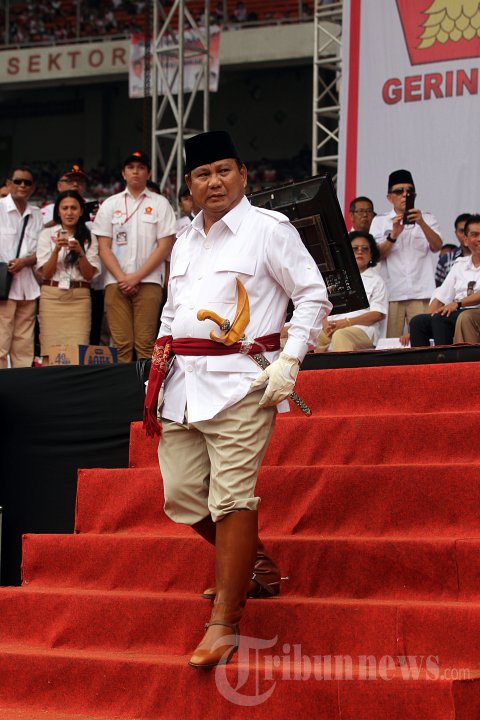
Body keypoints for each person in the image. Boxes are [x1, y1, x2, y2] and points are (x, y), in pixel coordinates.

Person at [148, 130, 331, 669]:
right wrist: (156, 372)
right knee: (183, 498)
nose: (215, 182)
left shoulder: (268, 229)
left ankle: (224, 622)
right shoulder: (184, 239)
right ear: (188, 185)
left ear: (244, 174)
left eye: (224, 170)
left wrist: (290, 360)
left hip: (243, 384)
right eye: (203, 174)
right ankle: (255, 563)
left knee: (231, 500)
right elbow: (171, 310)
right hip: (182, 385)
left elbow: (312, 295)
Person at [93, 151, 176, 363]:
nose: (136, 171)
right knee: (120, 344)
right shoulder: (110, 204)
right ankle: (123, 385)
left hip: (148, 281)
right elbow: (103, 247)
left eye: (141, 167)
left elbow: (165, 245)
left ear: (148, 173)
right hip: (115, 281)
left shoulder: (160, 203)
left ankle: (146, 385)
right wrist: (123, 278)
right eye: (131, 168)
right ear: (124, 173)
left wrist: (136, 277)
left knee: (145, 344)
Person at [370, 169, 442, 337]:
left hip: (421, 292)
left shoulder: (427, 218)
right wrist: (393, 235)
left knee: (423, 339)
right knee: (390, 342)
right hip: (392, 292)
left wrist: (421, 223)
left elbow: (437, 246)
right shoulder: (380, 221)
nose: (404, 195)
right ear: (389, 197)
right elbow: (375, 256)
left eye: (409, 191)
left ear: (414, 195)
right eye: (399, 191)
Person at [36, 190, 101, 359]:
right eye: (65, 208)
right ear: (58, 211)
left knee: (78, 352)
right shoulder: (47, 234)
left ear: (81, 211)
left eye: (74, 208)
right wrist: (56, 250)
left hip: (79, 298)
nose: (69, 212)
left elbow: (89, 276)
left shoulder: (89, 237)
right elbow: (46, 274)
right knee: (49, 352)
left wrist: (80, 253)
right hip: (51, 297)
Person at [409, 214, 480, 347]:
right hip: (457, 310)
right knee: (418, 322)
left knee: (441, 319)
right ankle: (423, 361)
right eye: (474, 235)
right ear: (465, 240)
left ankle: (445, 359)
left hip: (473, 311)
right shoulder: (460, 264)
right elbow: (441, 297)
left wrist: (457, 303)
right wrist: (428, 316)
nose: (479, 239)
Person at [315, 231, 388, 352]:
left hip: (362, 329)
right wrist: (325, 322)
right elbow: (322, 307)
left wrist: (347, 322)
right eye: (355, 249)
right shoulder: (335, 278)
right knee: (310, 337)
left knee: (340, 335)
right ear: (347, 253)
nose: (360, 251)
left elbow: (377, 314)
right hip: (332, 327)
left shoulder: (376, 281)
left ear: (371, 255)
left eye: (365, 249)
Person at [0, 167, 43, 369]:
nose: (22, 186)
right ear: (9, 184)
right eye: (18, 181)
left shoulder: (36, 214)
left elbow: (42, 250)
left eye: (27, 182)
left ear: (33, 188)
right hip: (3, 286)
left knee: (24, 344)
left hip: (28, 286)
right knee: (1, 341)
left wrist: (25, 262)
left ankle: (22, 383)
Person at [435, 213, 471, 287]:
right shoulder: (445, 259)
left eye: (468, 231)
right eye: (461, 231)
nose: (465, 235)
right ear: (456, 233)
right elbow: (439, 289)